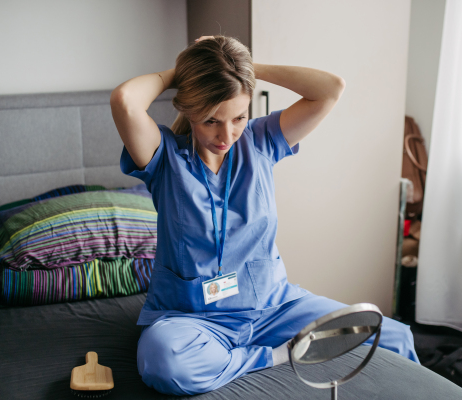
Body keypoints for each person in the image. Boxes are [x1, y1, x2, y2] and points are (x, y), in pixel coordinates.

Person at [111, 35, 418, 396]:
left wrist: (242, 70)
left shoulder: (260, 140)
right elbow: (125, 101)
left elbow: (331, 88)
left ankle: (247, 354)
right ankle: (274, 358)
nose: (227, 135)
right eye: (211, 120)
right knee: (164, 361)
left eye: (239, 117)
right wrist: (184, 73)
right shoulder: (165, 158)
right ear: (192, 110)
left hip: (274, 307)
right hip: (193, 319)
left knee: (392, 335)